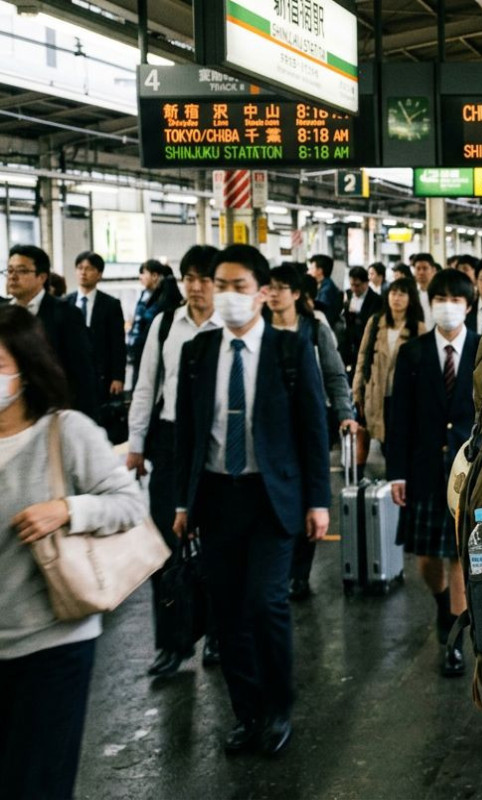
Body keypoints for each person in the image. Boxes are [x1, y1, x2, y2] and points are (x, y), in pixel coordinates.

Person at [172, 244, 330, 756]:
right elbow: (187, 437)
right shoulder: (196, 353)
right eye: (221, 286)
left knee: (266, 602)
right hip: (218, 498)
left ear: (263, 293)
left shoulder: (290, 351)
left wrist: (318, 501)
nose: (227, 296)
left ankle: (279, 708)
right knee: (228, 613)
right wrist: (182, 503)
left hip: (272, 498)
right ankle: (247, 712)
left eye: (238, 287)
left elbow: (313, 430)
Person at [0, 306, 148, 799]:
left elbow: (129, 504)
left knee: (36, 784)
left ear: (26, 366)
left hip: (52, 643)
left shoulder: (66, 432)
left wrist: (67, 510)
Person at [127, 245, 224, 677]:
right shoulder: (165, 324)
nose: (197, 287)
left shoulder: (232, 326)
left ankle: (219, 633)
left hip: (218, 443)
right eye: (190, 278)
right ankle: (172, 643)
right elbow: (146, 386)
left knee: (219, 543)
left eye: (205, 279)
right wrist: (135, 442)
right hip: (170, 443)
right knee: (165, 546)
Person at [386, 270, 478, 677]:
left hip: (468, 467)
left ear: (468, 305)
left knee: (460, 554)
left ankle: (455, 638)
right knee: (426, 559)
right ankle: (443, 606)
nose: (446, 304)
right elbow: (398, 416)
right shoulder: (414, 353)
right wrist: (396, 473)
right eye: (438, 297)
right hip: (424, 466)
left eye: (454, 299)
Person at [267, 265, 356, 601]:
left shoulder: (314, 328)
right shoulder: (257, 329)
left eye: (281, 287)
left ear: (296, 294)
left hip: (308, 422)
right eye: (269, 287)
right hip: (271, 427)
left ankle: (299, 573)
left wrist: (345, 414)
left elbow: (334, 375)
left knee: (307, 496)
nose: (273, 293)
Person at [4, 245, 99, 419]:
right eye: (9, 271)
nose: (12, 276)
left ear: (41, 277)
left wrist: (85, 421)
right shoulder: (3, 314)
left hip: (51, 413)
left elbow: (82, 373)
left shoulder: (65, 314)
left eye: (22, 271)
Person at [352, 277, 427, 472]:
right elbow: (363, 356)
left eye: (402, 294)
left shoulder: (417, 328)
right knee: (383, 441)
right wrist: (357, 389)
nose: (397, 298)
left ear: (411, 299)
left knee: (400, 443)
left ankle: (399, 483)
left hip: (403, 397)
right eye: (394, 293)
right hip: (377, 393)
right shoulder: (376, 322)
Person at [67, 251, 127, 410]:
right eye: (80, 268)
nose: (83, 272)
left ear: (99, 274)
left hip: (101, 374)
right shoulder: (65, 303)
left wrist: (118, 377)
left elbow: (117, 343)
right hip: (72, 375)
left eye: (89, 268)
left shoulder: (110, 304)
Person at [342, 266, 383, 381]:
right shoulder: (348, 295)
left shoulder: (376, 300)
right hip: (349, 344)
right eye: (352, 285)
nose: (354, 288)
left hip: (365, 342)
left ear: (366, 283)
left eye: (358, 285)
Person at [129, 259, 172, 363]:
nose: (140, 277)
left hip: (150, 351)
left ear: (154, 276)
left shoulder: (163, 298)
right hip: (136, 349)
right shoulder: (143, 294)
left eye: (143, 273)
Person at [307, 254, 344, 341]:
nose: (308, 271)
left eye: (311, 268)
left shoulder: (327, 288)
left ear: (319, 271)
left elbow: (320, 308)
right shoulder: (321, 285)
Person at [411, 253, 438, 322]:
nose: (421, 272)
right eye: (418, 269)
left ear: (433, 270)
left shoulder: (440, 292)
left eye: (425, 268)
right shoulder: (411, 292)